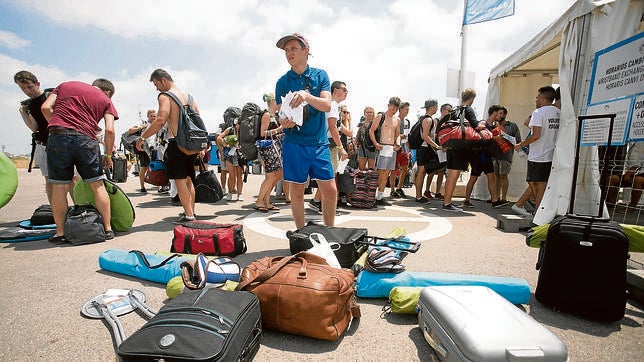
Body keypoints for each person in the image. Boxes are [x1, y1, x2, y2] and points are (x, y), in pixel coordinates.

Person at [41, 79, 118, 242]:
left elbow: (45, 107)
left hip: (58, 136)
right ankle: (107, 229)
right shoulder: (105, 101)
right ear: (108, 93)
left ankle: (60, 233)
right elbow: (110, 130)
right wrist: (109, 156)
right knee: (97, 185)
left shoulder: (65, 85)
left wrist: (58, 125)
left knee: (59, 187)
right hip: (86, 140)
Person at [275, 33, 338, 228]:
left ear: (306, 51)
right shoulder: (282, 82)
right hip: (294, 142)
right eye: (286, 50)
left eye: (294, 48)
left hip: (319, 143)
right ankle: (300, 232)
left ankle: (329, 231)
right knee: (296, 191)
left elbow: (327, 105)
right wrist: (285, 122)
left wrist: (306, 96)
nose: (289, 53)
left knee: (330, 190)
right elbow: (281, 114)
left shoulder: (321, 75)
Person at [136, 68, 199, 223]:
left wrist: (142, 137)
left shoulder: (165, 96)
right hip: (191, 143)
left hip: (176, 142)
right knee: (189, 179)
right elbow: (197, 118)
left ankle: (189, 215)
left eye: (156, 84)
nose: (157, 88)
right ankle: (191, 211)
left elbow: (160, 120)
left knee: (179, 180)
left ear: (163, 80)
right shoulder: (189, 97)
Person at [514, 86, 560, 210]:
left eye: (537, 98)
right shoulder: (558, 112)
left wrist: (521, 145)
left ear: (543, 99)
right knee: (540, 185)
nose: (536, 100)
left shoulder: (538, 113)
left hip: (538, 155)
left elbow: (535, 135)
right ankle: (538, 210)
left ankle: (538, 211)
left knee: (536, 185)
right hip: (551, 154)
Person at [14, 71, 54, 203]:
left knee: (71, 179)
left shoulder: (50, 96)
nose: (27, 91)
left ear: (37, 84)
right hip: (42, 144)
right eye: (22, 88)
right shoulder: (29, 105)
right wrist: (23, 112)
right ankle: (56, 212)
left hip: (58, 143)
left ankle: (78, 213)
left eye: (29, 87)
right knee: (49, 180)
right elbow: (34, 127)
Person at [309, 81, 349, 212]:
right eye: (344, 90)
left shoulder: (331, 104)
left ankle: (316, 201)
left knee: (327, 175)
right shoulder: (332, 105)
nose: (346, 92)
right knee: (329, 176)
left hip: (322, 143)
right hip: (328, 145)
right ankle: (325, 206)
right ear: (336, 90)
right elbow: (332, 128)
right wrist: (341, 148)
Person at [442, 88, 481, 212]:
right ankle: (447, 203)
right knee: (454, 174)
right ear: (471, 98)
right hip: (461, 145)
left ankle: (446, 201)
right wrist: (483, 126)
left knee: (451, 174)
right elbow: (476, 125)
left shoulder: (455, 109)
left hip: (452, 144)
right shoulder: (468, 109)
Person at [461, 105, 506, 208]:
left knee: (491, 177)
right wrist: (494, 138)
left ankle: (494, 201)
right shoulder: (482, 123)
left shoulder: (494, 126)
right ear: (494, 113)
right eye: (500, 113)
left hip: (487, 155)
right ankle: (466, 200)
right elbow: (478, 137)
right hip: (478, 155)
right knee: (473, 178)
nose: (501, 116)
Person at [254, 92, 285, 212]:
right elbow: (262, 134)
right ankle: (259, 202)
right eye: (278, 101)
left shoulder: (273, 115)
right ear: (272, 102)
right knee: (270, 177)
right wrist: (279, 130)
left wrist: (281, 132)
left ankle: (266, 202)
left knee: (277, 175)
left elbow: (272, 133)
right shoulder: (267, 115)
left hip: (272, 149)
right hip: (267, 150)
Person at [370, 97, 401, 206]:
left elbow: (397, 135)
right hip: (382, 147)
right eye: (393, 107)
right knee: (380, 174)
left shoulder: (397, 120)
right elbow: (371, 131)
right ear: (388, 105)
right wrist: (376, 144)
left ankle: (380, 197)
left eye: (396, 108)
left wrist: (398, 144)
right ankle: (372, 197)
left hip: (391, 149)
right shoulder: (380, 116)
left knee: (386, 174)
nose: (394, 110)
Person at [414, 99, 441, 203]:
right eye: (436, 106)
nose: (437, 108)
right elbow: (425, 136)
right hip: (423, 148)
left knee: (422, 172)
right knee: (421, 172)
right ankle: (418, 196)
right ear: (432, 106)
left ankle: (419, 195)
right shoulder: (428, 120)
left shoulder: (426, 119)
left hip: (424, 148)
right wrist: (437, 146)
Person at [494, 106, 521, 203]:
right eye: (497, 113)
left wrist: (506, 138)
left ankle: (504, 198)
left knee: (503, 176)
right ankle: (496, 197)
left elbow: (518, 140)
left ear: (505, 114)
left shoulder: (512, 126)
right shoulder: (494, 125)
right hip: (494, 155)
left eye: (501, 113)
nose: (499, 115)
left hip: (506, 155)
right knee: (496, 176)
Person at [424, 103, 452, 200]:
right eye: (448, 110)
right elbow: (433, 136)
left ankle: (437, 192)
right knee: (431, 171)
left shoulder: (448, 122)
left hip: (444, 150)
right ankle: (426, 191)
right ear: (443, 110)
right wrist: (438, 146)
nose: (450, 113)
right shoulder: (435, 121)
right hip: (435, 149)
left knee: (441, 172)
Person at [606, 142, 644, 212]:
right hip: (637, 171)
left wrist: (633, 169)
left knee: (638, 180)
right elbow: (638, 161)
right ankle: (610, 204)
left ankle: (632, 207)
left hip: (640, 174)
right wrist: (632, 170)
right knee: (612, 179)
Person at [390, 101, 411, 198]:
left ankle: (399, 188)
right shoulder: (395, 120)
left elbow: (407, 137)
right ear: (400, 109)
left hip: (403, 148)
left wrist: (409, 149)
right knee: (394, 170)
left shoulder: (407, 122)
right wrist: (399, 136)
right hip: (395, 148)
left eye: (408, 109)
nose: (407, 111)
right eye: (406, 109)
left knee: (405, 168)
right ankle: (392, 190)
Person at [127, 112, 153, 193]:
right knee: (143, 168)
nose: (153, 117)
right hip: (144, 149)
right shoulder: (143, 123)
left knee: (158, 166)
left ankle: (160, 187)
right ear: (148, 116)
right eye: (151, 116)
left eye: (155, 116)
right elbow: (130, 131)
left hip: (155, 148)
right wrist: (141, 127)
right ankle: (142, 187)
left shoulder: (157, 123)